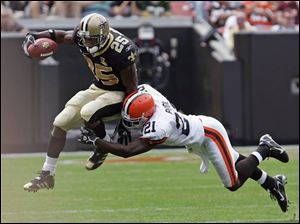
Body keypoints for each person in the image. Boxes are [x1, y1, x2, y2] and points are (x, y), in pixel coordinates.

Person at [79, 84, 290, 213]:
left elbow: (127, 152)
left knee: (233, 181)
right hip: (197, 133)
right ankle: (273, 183)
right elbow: (134, 91)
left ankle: (265, 147)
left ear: (146, 116)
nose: (130, 122)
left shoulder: (160, 126)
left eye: (133, 120)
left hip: (208, 134)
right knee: (236, 161)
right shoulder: (147, 95)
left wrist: (96, 141)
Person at [22, 13, 138, 192]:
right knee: (61, 122)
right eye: (85, 39)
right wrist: (35, 36)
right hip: (98, 87)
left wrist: (127, 118)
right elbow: (60, 36)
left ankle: (103, 145)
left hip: (119, 92)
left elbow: (132, 87)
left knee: (88, 112)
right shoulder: (82, 35)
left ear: (103, 36)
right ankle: (47, 174)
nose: (88, 43)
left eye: (92, 40)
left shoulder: (121, 48)